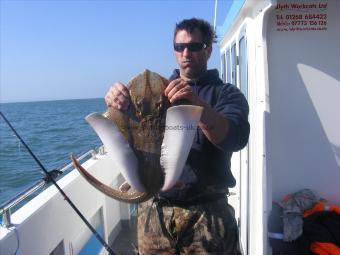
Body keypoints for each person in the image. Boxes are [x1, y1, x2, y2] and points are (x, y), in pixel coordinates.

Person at [105, 18, 249, 255]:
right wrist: (115, 103)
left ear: (208, 49)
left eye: (194, 46)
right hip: (155, 212)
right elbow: (127, 134)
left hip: (208, 214)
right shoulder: (155, 93)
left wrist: (197, 106)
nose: (185, 53)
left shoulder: (226, 94)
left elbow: (235, 138)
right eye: (179, 47)